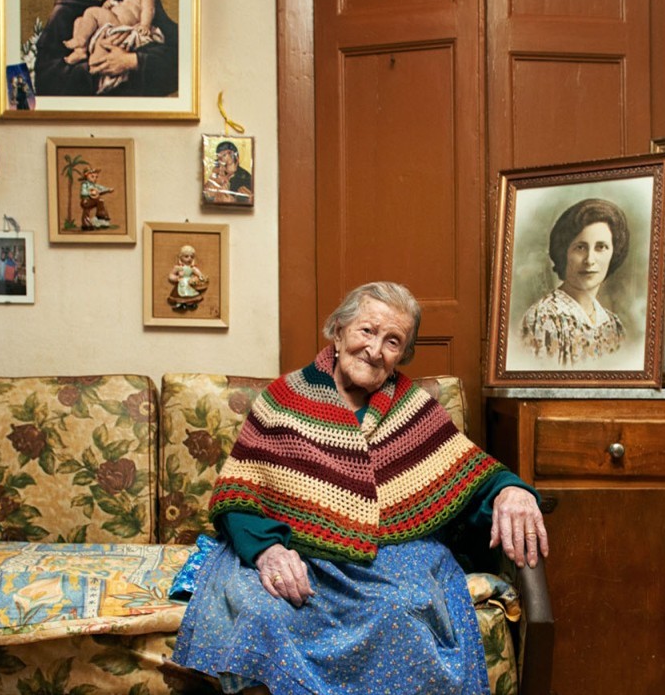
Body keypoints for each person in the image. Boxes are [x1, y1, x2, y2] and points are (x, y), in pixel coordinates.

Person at [172, 282, 547, 695]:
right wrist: (268, 551)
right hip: (301, 555)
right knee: (261, 611)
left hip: (391, 561)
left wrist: (512, 491)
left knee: (401, 611)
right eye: (366, 331)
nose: (375, 349)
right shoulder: (282, 398)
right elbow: (239, 494)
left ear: (401, 356)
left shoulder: (416, 408)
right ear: (337, 331)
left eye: (392, 341)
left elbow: (471, 480)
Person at [519, 198, 630, 365]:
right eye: (580, 247)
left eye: (601, 247)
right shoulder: (544, 319)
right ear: (564, 252)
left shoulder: (613, 325)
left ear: (614, 252)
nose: (590, 260)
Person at [33, 0, 178, 97]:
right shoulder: (66, 9)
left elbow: (181, 58)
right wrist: (93, 69)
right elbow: (45, 82)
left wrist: (132, 61)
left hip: (135, 116)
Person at [62, 0, 159, 67]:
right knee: (79, 21)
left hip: (119, 25)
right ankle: (80, 51)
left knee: (91, 12)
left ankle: (81, 40)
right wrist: (109, 6)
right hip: (111, 25)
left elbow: (148, 9)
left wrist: (145, 24)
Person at [167, 244, 208, 311]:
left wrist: (200, 276)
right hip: (181, 283)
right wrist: (177, 277)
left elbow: (199, 273)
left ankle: (190, 304)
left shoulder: (192, 268)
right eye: (186, 256)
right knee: (180, 294)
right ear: (181, 257)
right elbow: (170, 275)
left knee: (191, 294)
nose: (189, 258)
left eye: (191, 257)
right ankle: (179, 304)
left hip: (189, 283)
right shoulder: (178, 267)